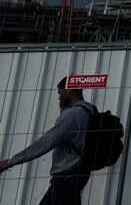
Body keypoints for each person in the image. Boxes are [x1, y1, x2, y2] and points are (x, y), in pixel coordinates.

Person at [0, 76, 97, 205]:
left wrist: (10, 161)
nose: (59, 97)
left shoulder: (73, 115)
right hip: (75, 174)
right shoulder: (89, 110)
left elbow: (46, 143)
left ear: (69, 90)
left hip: (66, 178)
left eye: (60, 92)